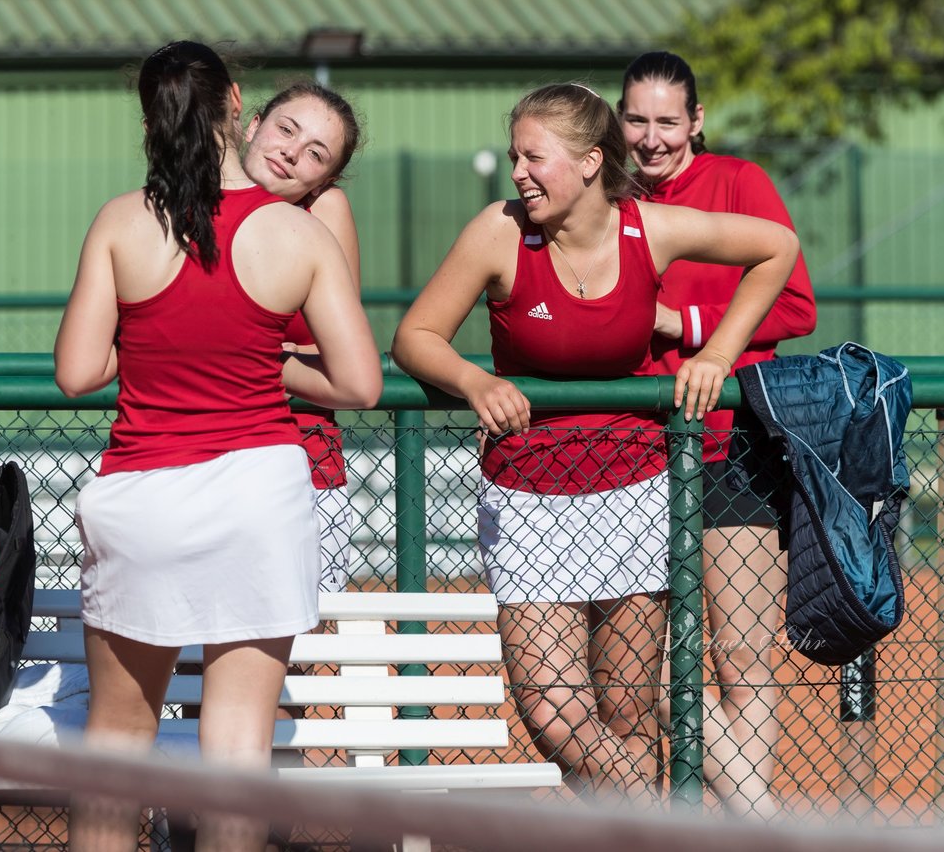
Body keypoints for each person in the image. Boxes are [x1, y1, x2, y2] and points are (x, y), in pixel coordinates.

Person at [390, 83, 799, 800]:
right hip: (527, 494)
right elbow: (415, 338)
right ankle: (667, 825)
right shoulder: (500, 231)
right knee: (555, 713)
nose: (518, 171)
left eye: (534, 157)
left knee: (629, 711)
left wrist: (714, 352)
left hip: (634, 489)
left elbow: (776, 248)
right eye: (514, 154)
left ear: (588, 163)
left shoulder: (649, 228)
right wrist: (473, 381)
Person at [53, 41, 381, 852]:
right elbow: (360, 384)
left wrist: (164, 346)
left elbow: (77, 372)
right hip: (258, 496)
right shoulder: (293, 231)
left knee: (118, 737)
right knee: (236, 747)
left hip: (143, 496)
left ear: (148, 119)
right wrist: (263, 355)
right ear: (241, 103)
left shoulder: (122, 220)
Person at [619, 51, 817, 818]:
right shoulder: (606, 194)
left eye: (668, 121)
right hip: (636, 445)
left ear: (695, 121)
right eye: (637, 119)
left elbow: (796, 308)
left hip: (734, 439)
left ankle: (741, 828)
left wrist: (691, 327)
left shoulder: (739, 183)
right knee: (647, 667)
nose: (652, 137)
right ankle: (758, 822)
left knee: (742, 658)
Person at [242, 80, 363, 594]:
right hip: (190, 459)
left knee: (313, 653)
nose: (291, 153)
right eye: (285, 129)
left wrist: (244, 357)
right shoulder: (184, 202)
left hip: (299, 458)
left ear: (328, 177)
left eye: (315, 153)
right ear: (252, 126)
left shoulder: (323, 211)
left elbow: (343, 355)